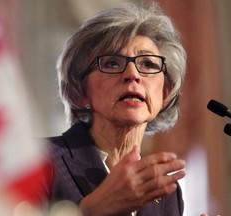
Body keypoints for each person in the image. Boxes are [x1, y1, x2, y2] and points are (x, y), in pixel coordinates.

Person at [43, 2, 187, 216]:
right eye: (111, 63)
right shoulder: (43, 163)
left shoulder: (166, 192)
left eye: (148, 64)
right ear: (80, 93)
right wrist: (93, 211)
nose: (133, 74)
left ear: (165, 94)